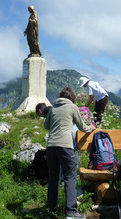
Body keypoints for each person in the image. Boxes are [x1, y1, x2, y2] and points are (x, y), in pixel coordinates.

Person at [44, 87, 96, 219]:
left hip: (51, 146)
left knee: (53, 177)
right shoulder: (73, 107)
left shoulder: (53, 107)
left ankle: (51, 208)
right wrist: (92, 128)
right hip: (65, 146)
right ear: (72, 98)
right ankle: (71, 211)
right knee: (70, 176)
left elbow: (46, 126)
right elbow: (82, 127)